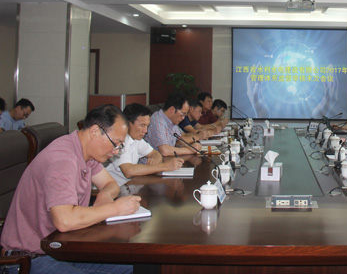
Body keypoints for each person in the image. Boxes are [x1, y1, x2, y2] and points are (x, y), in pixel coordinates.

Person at [0, 104, 140, 274]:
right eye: (115, 144)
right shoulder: (62, 160)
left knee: (140, 268)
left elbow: (110, 184)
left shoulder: (87, 153)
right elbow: (65, 221)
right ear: (95, 131)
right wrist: (114, 209)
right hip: (29, 258)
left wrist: (105, 195)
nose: (116, 151)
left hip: (62, 248)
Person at [105, 103, 184, 186]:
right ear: (128, 124)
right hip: (117, 189)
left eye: (147, 126)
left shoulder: (137, 139)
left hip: (132, 185)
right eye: (142, 125)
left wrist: (154, 161)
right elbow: (129, 171)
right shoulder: (119, 141)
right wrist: (165, 166)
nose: (145, 131)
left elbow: (155, 153)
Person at [145, 92, 204, 158]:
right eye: (183, 114)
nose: (183, 118)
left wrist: (189, 146)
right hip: (154, 163)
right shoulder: (158, 121)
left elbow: (178, 141)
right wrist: (191, 150)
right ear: (172, 109)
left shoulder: (172, 121)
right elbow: (165, 150)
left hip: (169, 160)